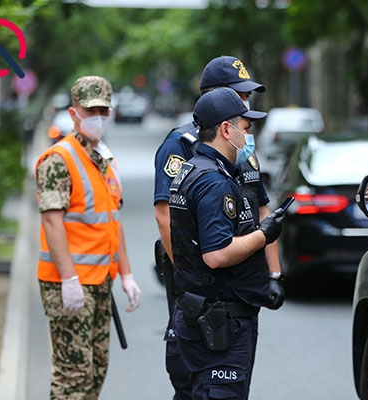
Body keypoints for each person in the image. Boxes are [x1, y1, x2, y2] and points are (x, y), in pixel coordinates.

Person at [153, 55, 281, 399]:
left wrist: (273, 275)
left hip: (238, 291)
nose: (245, 104)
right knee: (205, 384)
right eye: (239, 97)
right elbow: (167, 216)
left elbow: (261, 208)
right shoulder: (185, 147)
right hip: (205, 292)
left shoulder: (239, 152)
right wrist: (194, 280)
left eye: (247, 96)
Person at [34, 75, 142, 400]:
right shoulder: (58, 160)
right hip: (69, 284)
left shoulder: (104, 161)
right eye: (90, 109)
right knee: (73, 378)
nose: (97, 116)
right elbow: (52, 222)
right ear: (73, 112)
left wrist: (127, 275)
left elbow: (113, 220)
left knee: (95, 371)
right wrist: (68, 279)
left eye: (103, 110)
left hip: (100, 283)